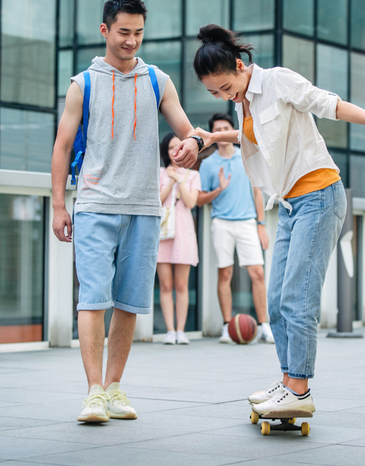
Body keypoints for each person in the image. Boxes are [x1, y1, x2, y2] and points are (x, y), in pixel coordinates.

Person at [179, 24, 365, 416]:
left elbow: (328, 103)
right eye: (214, 93)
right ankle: (288, 380)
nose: (223, 96)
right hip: (289, 204)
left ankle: (300, 392)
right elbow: (252, 137)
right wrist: (212, 136)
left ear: (240, 65)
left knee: (297, 299)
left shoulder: (277, 81)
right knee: (275, 299)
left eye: (225, 87)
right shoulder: (243, 100)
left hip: (319, 197)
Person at [50, 0, 202, 424]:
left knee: (130, 304)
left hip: (145, 208)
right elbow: (62, 147)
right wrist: (60, 205)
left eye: (138, 32)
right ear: (105, 30)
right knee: (93, 299)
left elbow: (186, 131)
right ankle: (93, 392)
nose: (131, 40)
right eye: (123, 32)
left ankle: (114, 387)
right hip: (95, 205)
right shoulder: (83, 84)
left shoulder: (158, 80)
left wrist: (196, 144)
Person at [197, 113, 273, 344]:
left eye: (225, 128)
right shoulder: (208, 164)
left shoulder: (246, 156)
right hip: (222, 223)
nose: (220, 133)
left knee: (257, 273)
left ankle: (264, 326)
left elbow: (257, 191)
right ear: (212, 134)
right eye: (216, 129)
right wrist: (218, 190)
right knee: (225, 273)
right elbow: (200, 200)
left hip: (248, 222)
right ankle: (227, 325)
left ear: (232, 130)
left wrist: (261, 225)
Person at [157, 133, 201, 345]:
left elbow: (191, 202)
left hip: (183, 234)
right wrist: (170, 181)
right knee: (165, 285)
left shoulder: (192, 175)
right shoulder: (158, 173)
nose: (175, 152)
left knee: (181, 285)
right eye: (170, 148)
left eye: (179, 147)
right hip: (163, 235)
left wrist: (179, 180)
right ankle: (170, 330)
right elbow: (157, 200)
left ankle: (181, 330)